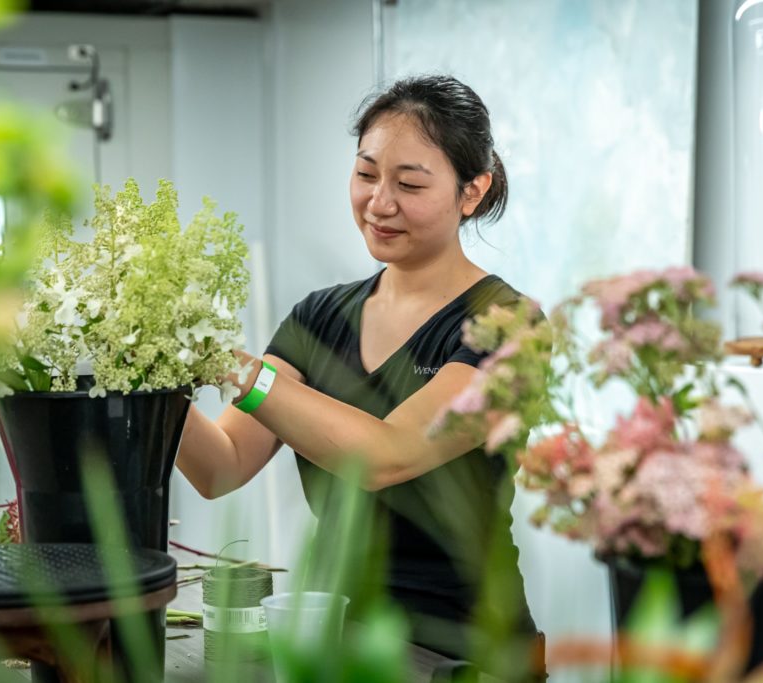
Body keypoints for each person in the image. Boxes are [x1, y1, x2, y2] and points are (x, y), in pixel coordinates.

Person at [176, 75, 537, 667]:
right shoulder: (319, 316)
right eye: (366, 175)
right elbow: (221, 467)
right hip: (338, 633)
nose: (379, 203)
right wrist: (155, 376)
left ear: (472, 192)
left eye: (410, 184)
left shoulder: (506, 325)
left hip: (464, 650)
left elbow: (386, 455)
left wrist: (235, 371)